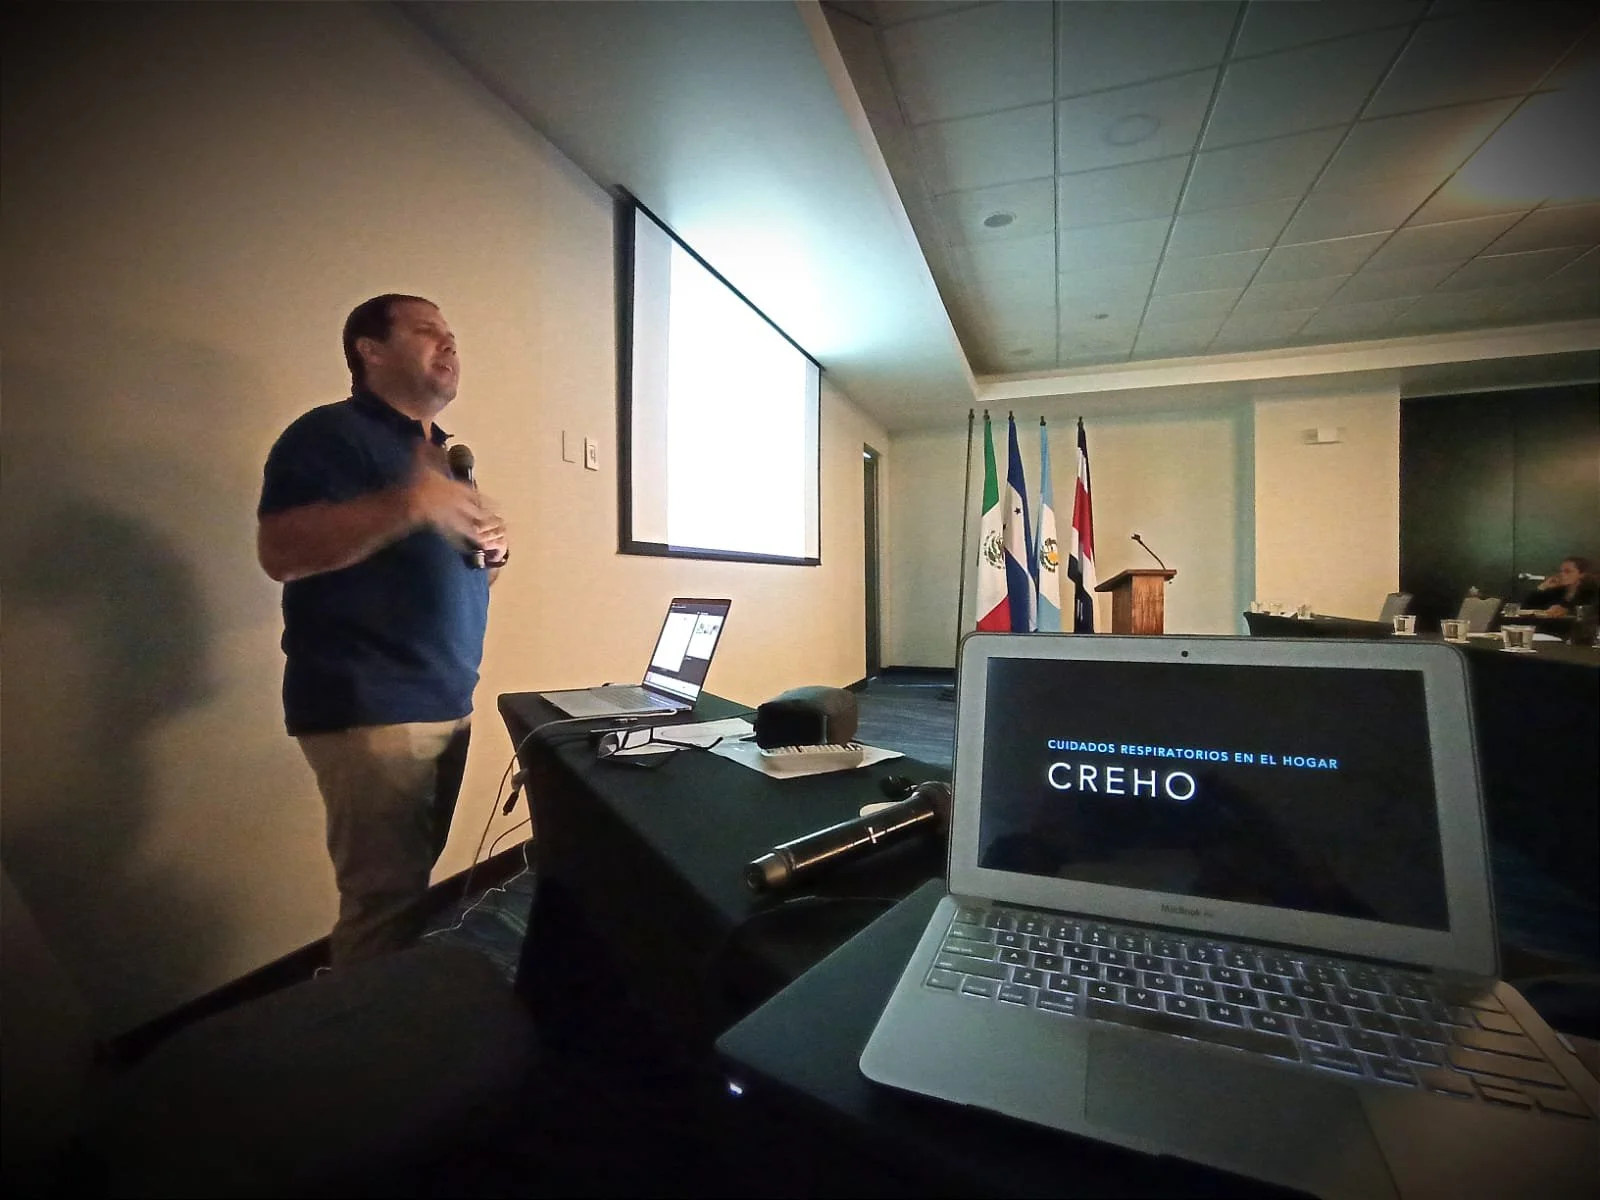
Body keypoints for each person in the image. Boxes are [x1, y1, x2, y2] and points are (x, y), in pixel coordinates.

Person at [257, 294, 509, 967]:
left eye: (453, 334)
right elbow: (280, 552)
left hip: (443, 701)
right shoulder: (329, 435)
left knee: (406, 890)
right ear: (369, 350)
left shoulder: (440, 455)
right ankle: (361, 1058)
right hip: (372, 704)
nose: (449, 345)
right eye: (428, 330)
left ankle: (377, 1022)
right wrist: (410, 502)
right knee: (384, 906)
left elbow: (444, 581)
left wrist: (491, 557)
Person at [1521, 556, 1598, 616]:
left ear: (1582, 574)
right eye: (1561, 571)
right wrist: (1542, 587)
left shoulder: (1591, 591)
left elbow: (1591, 612)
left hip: (1579, 631)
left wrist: (1567, 611)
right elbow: (1526, 608)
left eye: (1567, 571)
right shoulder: (1557, 591)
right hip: (1552, 631)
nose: (1562, 575)